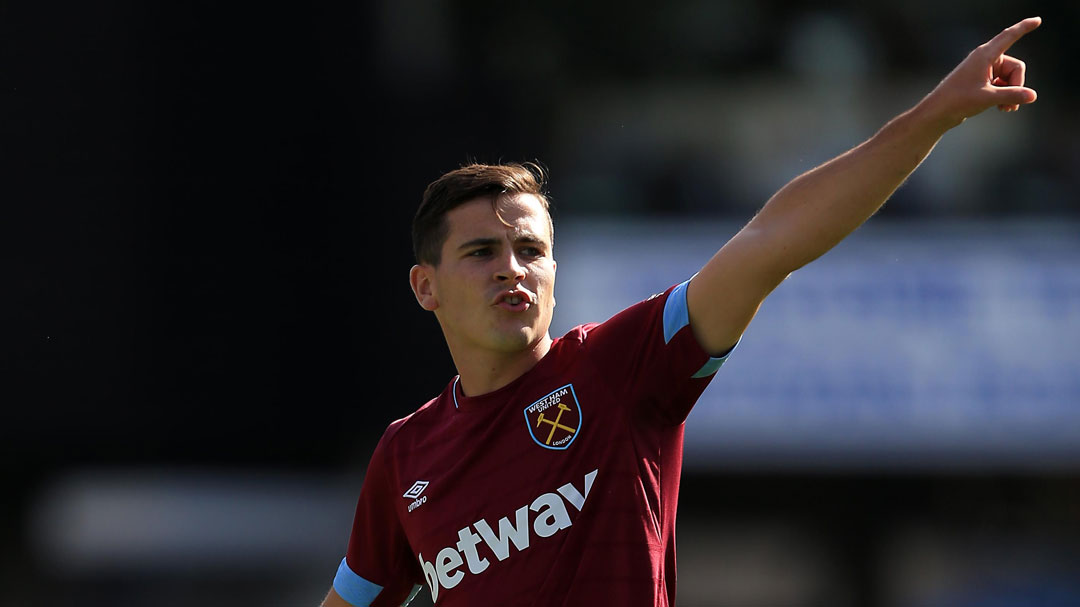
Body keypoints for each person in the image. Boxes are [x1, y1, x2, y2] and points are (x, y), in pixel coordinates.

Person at [321, 17, 1042, 607]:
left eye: (530, 248)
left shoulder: (617, 366)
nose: (513, 267)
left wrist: (934, 117)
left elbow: (771, 240)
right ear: (426, 287)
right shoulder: (405, 455)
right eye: (481, 251)